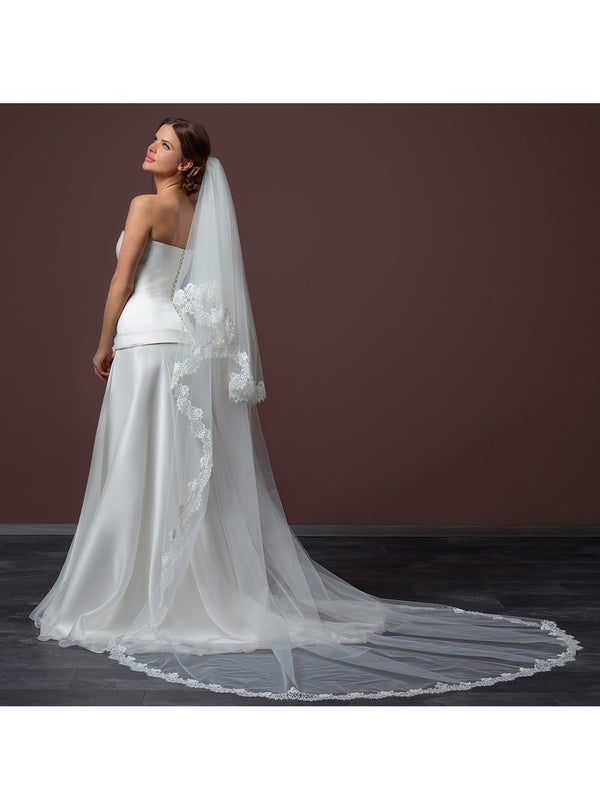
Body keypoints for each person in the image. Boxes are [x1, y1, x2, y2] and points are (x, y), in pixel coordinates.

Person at [30, 117, 582, 701]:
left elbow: (122, 283)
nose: (152, 146)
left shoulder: (145, 206)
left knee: (137, 464)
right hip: (183, 349)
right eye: (155, 137)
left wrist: (103, 343)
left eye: (165, 144)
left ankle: (133, 588)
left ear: (186, 163)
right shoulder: (197, 215)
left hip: (144, 345)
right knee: (180, 469)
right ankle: (183, 587)